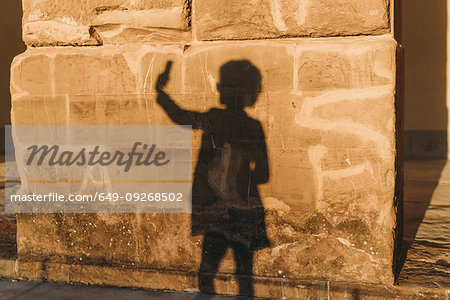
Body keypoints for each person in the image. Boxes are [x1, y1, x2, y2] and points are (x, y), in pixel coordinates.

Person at [155, 60, 270, 296]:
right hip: (242, 209)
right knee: (244, 273)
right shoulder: (252, 126)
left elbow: (181, 117)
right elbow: (263, 174)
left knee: (208, 270)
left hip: (215, 208)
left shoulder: (213, 120)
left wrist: (161, 93)